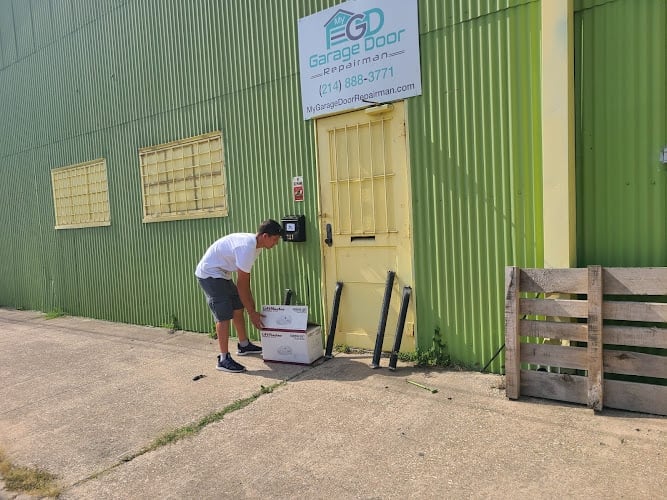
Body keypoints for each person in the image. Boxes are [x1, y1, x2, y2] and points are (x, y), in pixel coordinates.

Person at [195, 219, 284, 373]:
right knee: (223, 315)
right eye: (275, 239)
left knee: (237, 306)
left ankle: (243, 345)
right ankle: (223, 359)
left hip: (222, 274)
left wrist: (251, 310)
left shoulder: (256, 247)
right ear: (265, 236)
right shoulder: (247, 247)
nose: (276, 244)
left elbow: (243, 285)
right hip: (210, 274)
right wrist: (253, 313)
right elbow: (243, 285)